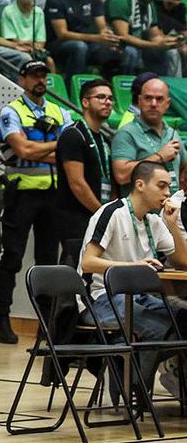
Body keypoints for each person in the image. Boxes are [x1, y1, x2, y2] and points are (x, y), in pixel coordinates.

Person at [79, 160, 187, 393]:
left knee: (184, 319)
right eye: (161, 185)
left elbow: (183, 261)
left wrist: (172, 225)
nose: (168, 192)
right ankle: (135, 388)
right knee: (160, 327)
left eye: (169, 186)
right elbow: (87, 263)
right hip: (100, 299)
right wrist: (132, 266)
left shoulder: (154, 221)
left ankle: (145, 375)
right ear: (140, 184)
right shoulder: (111, 213)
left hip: (137, 299)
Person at [0, 58, 67, 344]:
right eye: (34, 76)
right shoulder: (12, 111)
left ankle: (45, 327)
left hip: (53, 194)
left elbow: (67, 151)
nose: (40, 81)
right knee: (11, 258)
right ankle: (1, 320)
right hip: (21, 192)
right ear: (22, 80)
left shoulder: (59, 112)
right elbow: (20, 147)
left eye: (43, 76)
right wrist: (52, 147)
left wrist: (36, 150)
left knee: (48, 263)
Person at [57, 76, 115, 272]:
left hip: (96, 215)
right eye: (101, 97)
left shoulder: (105, 138)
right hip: (76, 218)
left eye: (110, 98)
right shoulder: (73, 134)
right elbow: (77, 184)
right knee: (74, 274)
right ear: (85, 102)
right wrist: (103, 213)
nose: (107, 101)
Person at [45, 0, 138, 77]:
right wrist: (96, 38)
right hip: (59, 45)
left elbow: (102, 28)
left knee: (129, 52)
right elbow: (62, 34)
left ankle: (116, 91)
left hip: (89, 44)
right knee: (79, 47)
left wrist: (110, 40)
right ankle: (72, 91)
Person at [111, 75, 181, 193]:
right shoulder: (126, 133)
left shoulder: (173, 133)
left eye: (159, 99)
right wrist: (159, 157)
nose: (153, 104)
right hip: (139, 211)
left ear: (167, 104)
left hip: (172, 209)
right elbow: (121, 176)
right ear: (139, 101)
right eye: (148, 98)